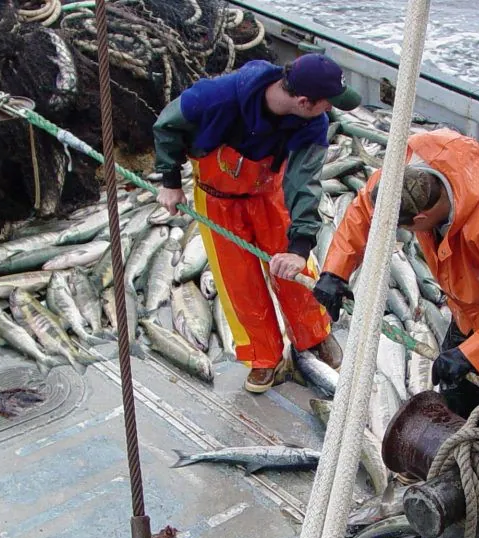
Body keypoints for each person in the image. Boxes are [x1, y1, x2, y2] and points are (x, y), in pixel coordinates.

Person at [315, 129, 479, 417]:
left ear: (421, 219)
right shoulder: (405, 170)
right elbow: (364, 210)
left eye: (405, 228)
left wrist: (471, 355)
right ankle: (462, 420)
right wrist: (334, 272)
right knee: (457, 378)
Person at [152, 53, 361, 393]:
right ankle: (264, 358)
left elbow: (304, 182)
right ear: (304, 101)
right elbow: (166, 125)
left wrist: (301, 244)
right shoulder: (217, 96)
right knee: (239, 282)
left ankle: (313, 338)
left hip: (269, 196)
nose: (330, 111)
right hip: (216, 201)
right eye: (327, 103)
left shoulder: (312, 122)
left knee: (297, 272)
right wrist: (170, 180)